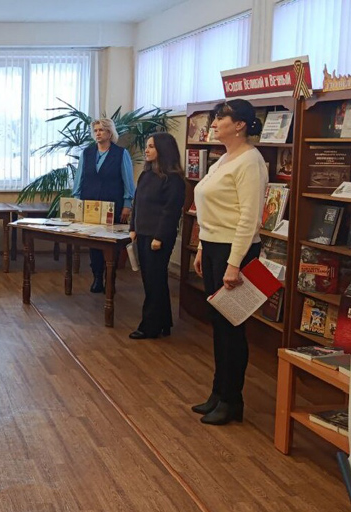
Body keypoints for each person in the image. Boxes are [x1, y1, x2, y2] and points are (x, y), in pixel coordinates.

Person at [192, 99, 267, 426]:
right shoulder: (223, 159)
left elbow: (249, 219)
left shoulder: (251, 161)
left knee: (232, 327)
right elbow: (211, 211)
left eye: (220, 118)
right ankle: (218, 392)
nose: (214, 123)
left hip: (235, 252)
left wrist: (234, 264)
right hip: (214, 248)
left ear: (239, 125)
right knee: (219, 325)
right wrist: (201, 247)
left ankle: (232, 400)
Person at [128, 133, 185, 340]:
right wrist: (133, 227)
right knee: (152, 280)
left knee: (154, 281)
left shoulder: (173, 179)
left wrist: (159, 237)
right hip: (142, 233)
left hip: (158, 237)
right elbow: (137, 203)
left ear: (163, 149)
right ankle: (164, 322)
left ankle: (150, 326)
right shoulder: (146, 174)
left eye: (151, 146)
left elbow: (171, 212)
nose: (147, 150)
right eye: (147, 146)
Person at [72, 118, 135, 293]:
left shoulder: (121, 153)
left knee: (110, 243)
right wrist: (77, 200)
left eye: (101, 130)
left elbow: (128, 180)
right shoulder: (87, 153)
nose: (98, 133)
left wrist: (127, 204)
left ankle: (110, 278)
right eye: (96, 130)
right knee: (94, 243)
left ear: (109, 132)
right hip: (90, 205)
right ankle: (97, 277)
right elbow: (79, 178)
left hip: (113, 205)